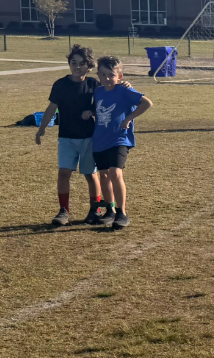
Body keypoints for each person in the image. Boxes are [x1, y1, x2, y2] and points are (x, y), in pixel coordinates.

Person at [36, 45, 106, 226]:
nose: (77, 67)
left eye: (82, 63)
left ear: (89, 66)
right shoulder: (60, 85)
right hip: (66, 137)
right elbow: (52, 108)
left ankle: (95, 210)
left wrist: (91, 111)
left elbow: (103, 105)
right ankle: (63, 211)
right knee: (64, 173)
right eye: (73, 63)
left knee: (91, 174)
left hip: (89, 137)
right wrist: (42, 128)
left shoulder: (93, 84)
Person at [83, 56, 152, 230]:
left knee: (115, 172)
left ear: (119, 76)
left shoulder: (124, 90)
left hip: (119, 139)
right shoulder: (98, 92)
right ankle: (110, 210)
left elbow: (146, 103)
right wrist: (91, 112)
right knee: (104, 176)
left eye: (111, 75)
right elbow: (100, 110)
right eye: (103, 74)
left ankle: (122, 213)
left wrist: (129, 119)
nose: (107, 78)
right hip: (100, 140)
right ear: (98, 75)